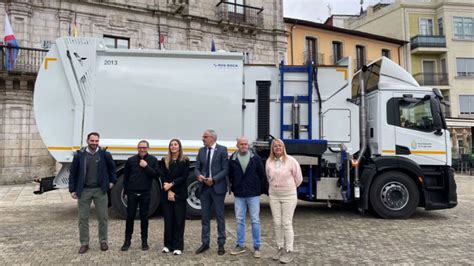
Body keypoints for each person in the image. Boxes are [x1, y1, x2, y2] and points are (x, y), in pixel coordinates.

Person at [69, 132, 117, 254]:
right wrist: (72, 189)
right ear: (87, 141)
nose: (94, 143)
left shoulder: (104, 154)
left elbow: (112, 169)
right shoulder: (79, 155)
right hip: (84, 190)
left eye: (96, 141)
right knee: (83, 218)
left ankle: (103, 241)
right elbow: (73, 173)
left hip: (100, 190)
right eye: (92, 141)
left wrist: (112, 182)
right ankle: (84, 243)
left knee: (103, 217)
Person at [228, 137, 266, 258]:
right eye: (241, 144)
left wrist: (259, 190)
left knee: (255, 220)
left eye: (245, 144)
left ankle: (257, 247)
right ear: (237, 145)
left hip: (253, 194)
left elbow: (262, 175)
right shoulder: (233, 159)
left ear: (248, 145)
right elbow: (230, 175)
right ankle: (240, 244)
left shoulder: (255, 158)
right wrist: (234, 188)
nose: (244, 145)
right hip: (239, 194)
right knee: (240, 220)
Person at [265, 138, 302, 264]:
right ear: (272, 148)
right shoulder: (269, 161)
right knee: (276, 222)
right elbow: (268, 177)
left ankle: (289, 250)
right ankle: (279, 247)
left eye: (280, 146)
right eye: (275, 146)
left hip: (289, 196)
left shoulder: (291, 161)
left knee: (286, 223)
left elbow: (299, 179)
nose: (278, 148)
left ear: (283, 147)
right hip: (274, 195)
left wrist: (287, 188)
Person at [194, 129, 229, 256]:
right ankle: (205, 243)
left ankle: (221, 244)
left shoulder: (222, 150)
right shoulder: (201, 150)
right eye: (203, 137)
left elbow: (225, 169)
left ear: (212, 138)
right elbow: (197, 167)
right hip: (204, 188)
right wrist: (198, 176)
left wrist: (213, 179)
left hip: (217, 187)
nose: (202, 139)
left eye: (205, 136)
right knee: (205, 217)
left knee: (219, 216)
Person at [120, 140, 159, 252]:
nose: (142, 149)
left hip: (145, 192)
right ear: (137, 148)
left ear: (148, 148)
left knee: (144, 217)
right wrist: (126, 192)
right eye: (140, 147)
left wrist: (146, 167)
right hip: (132, 193)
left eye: (144, 147)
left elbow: (156, 175)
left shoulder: (153, 160)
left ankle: (144, 241)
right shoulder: (131, 160)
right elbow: (126, 178)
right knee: (130, 217)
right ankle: (127, 241)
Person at [159, 139, 190, 255]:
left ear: (179, 147)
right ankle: (168, 245)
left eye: (175, 144)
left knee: (179, 221)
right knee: (168, 220)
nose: (173, 146)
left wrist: (172, 185)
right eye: (171, 145)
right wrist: (169, 191)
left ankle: (178, 246)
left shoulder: (185, 161)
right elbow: (162, 175)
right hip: (167, 194)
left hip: (180, 194)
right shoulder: (164, 161)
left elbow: (184, 177)